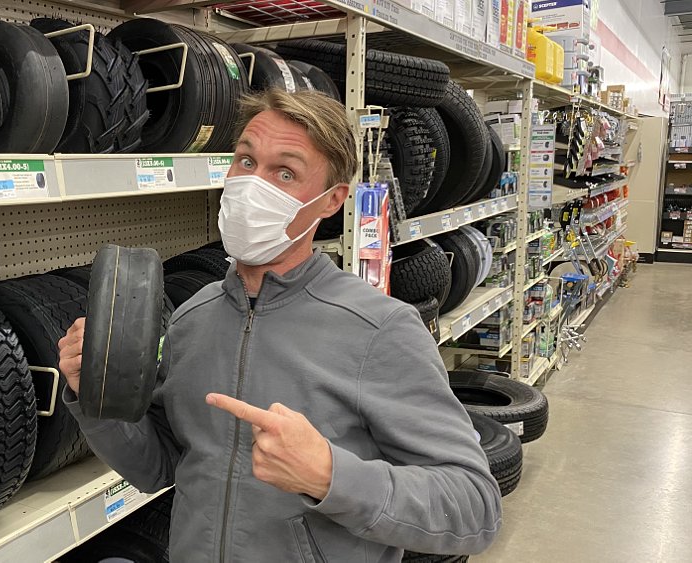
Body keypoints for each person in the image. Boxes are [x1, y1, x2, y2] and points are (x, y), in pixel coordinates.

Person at [57, 89, 501, 562]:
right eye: (246, 161)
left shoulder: (380, 329)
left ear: (332, 200)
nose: (253, 186)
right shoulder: (192, 319)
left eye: (284, 173)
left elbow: (474, 507)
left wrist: (330, 476)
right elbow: (159, 466)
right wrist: (95, 396)